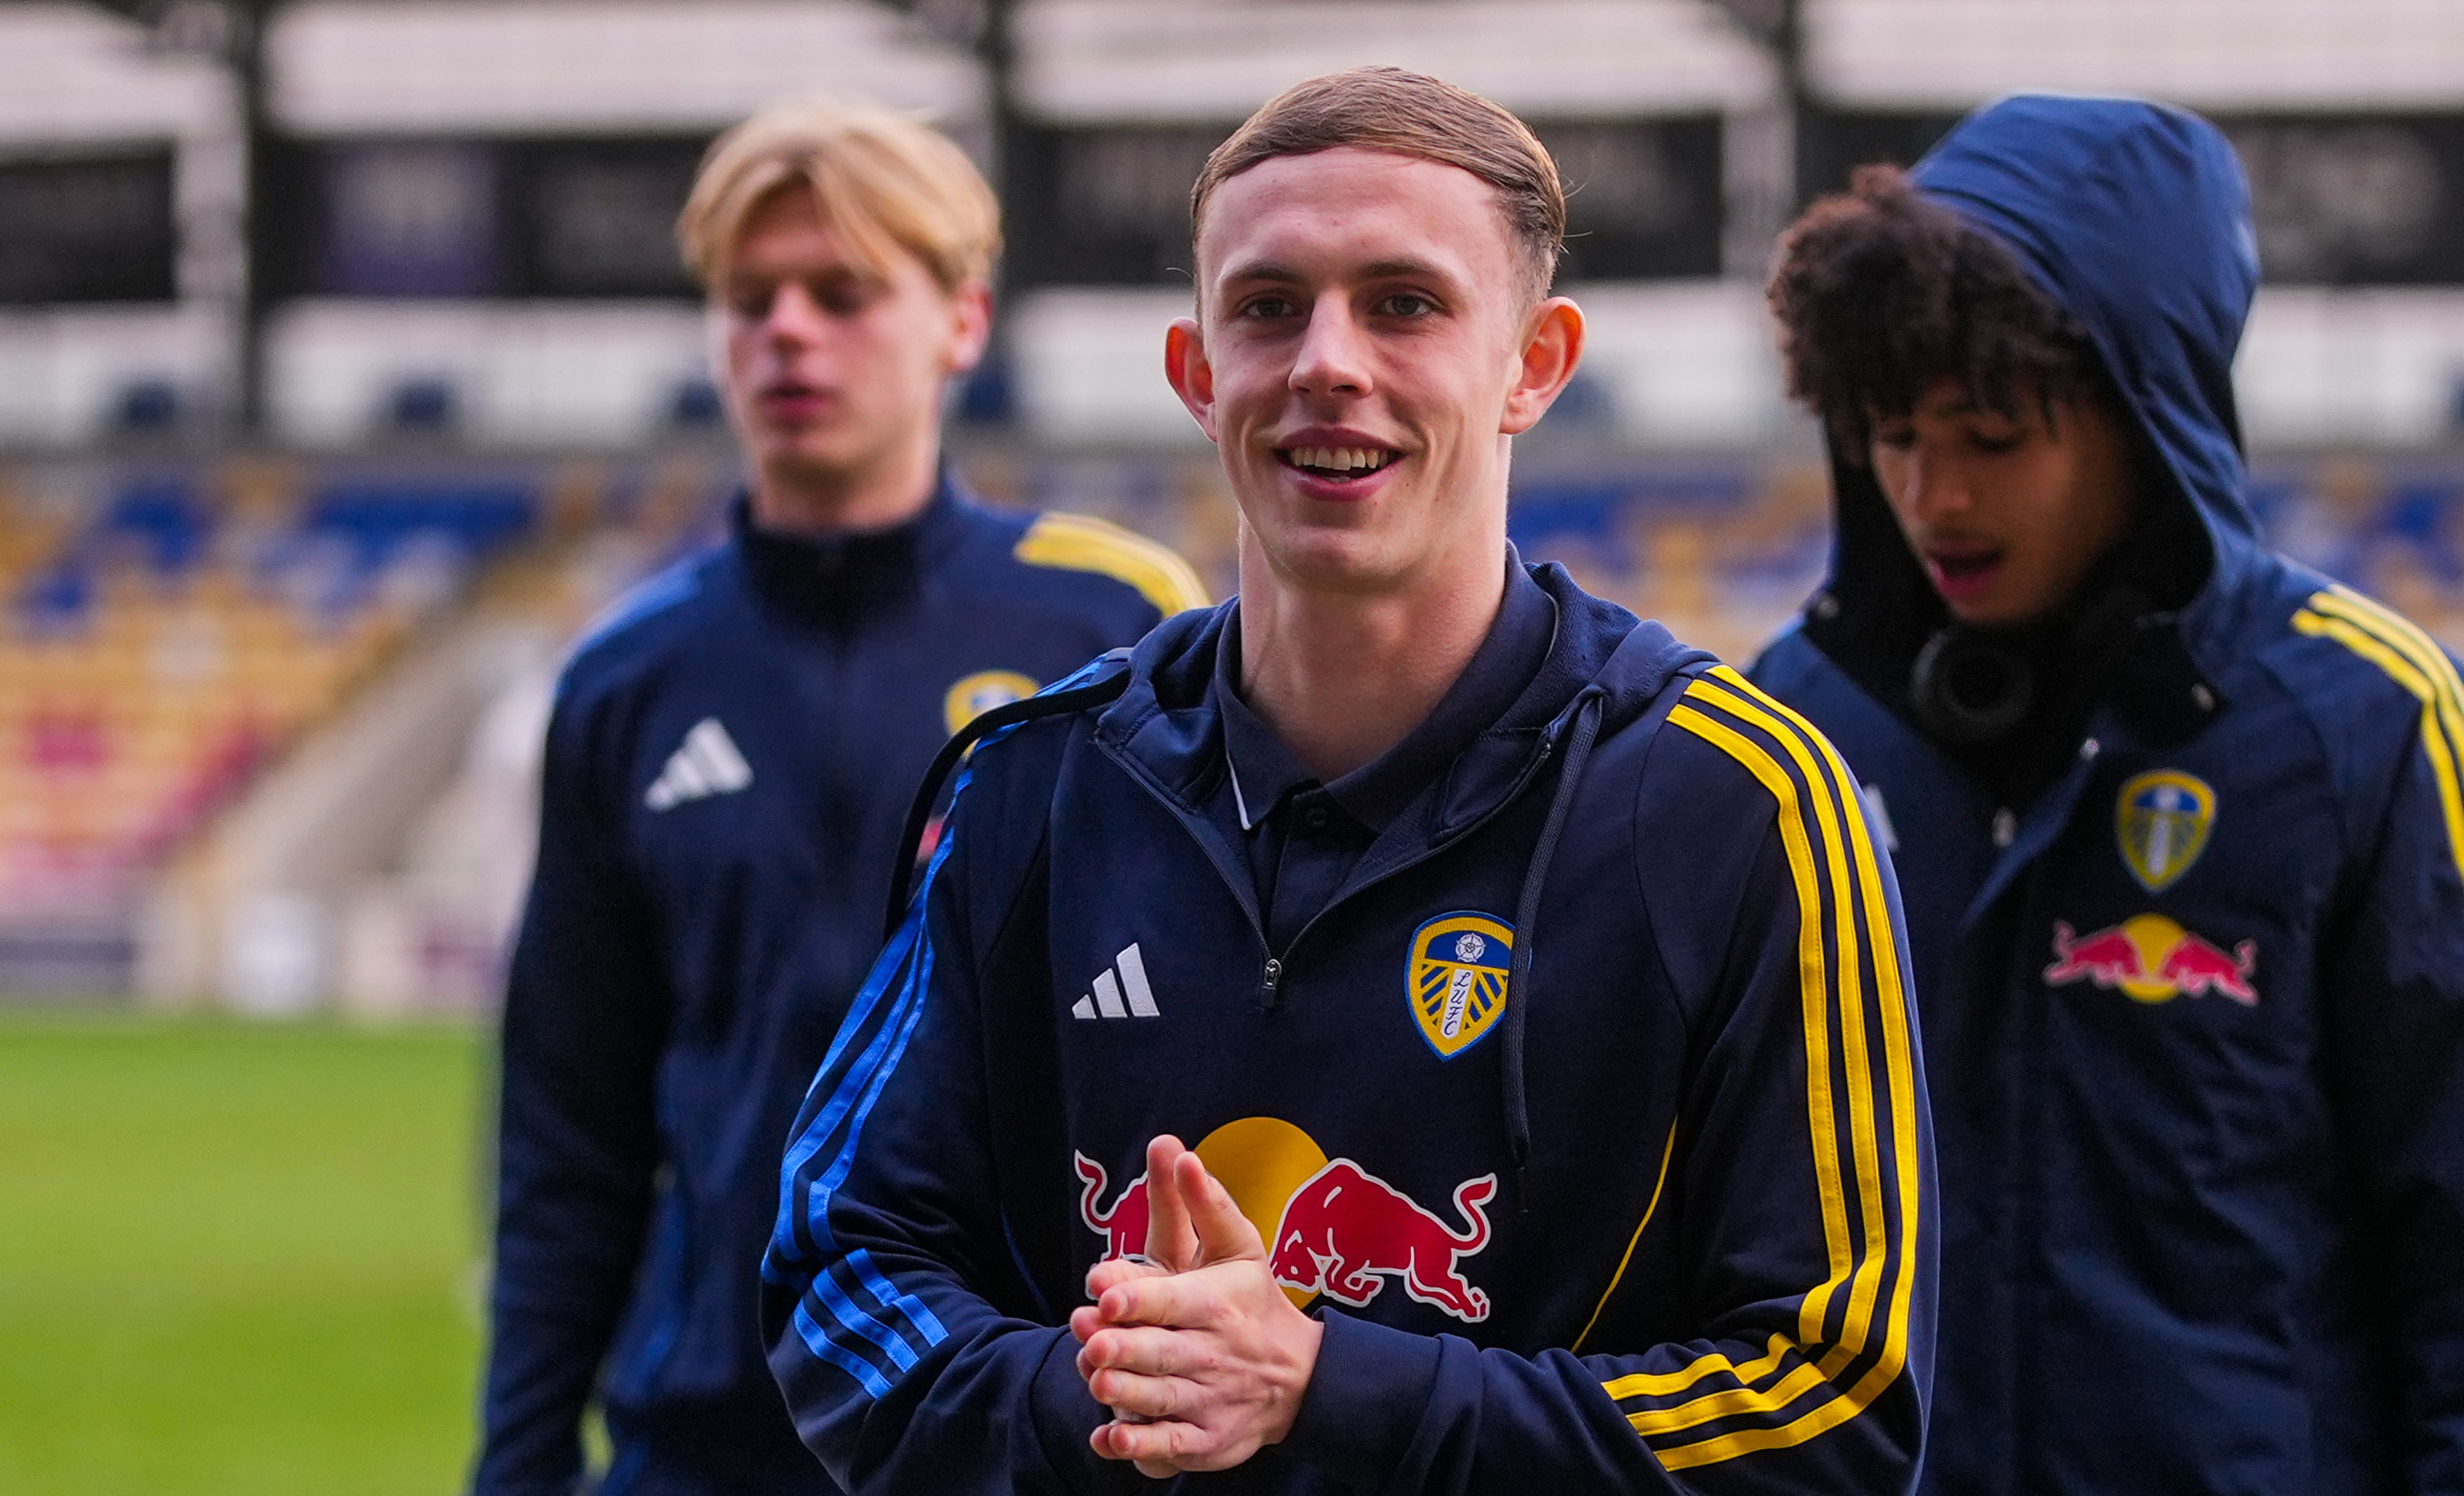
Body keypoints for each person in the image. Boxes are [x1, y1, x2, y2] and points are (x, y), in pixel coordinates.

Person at [762, 67, 1933, 1495]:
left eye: (1405, 303)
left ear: (1535, 363)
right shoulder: (1033, 785)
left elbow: (1837, 1404)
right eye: (1268, 307)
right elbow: (841, 1264)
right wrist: (1118, 1402)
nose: (1327, 359)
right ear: (1197, 375)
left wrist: (1332, 1390)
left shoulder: (1735, 801)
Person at [1746, 95, 2464, 1494]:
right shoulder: (1793, 722)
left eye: (1991, 434)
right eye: (1893, 433)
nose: (1933, 493)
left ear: (2143, 410)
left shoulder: (2374, 722)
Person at [471, 98, 1206, 1496]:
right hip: (702, 1443)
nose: (789, 331)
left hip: (1020, 1425)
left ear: (963, 323)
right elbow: (569, 1136)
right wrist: (518, 1464)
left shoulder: (1120, 624)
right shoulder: (625, 680)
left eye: (846, 292)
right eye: (751, 300)